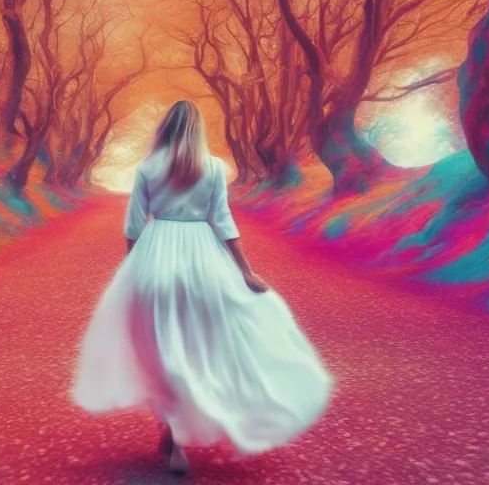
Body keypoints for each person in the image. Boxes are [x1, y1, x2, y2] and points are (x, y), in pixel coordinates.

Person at [71, 100, 333, 475]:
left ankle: (170, 430)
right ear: (198, 130)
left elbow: (133, 226)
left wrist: (133, 268)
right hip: (203, 261)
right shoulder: (213, 167)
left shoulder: (147, 167)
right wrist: (246, 272)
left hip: (155, 256)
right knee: (196, 345)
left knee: (159, 348)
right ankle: (192, 418)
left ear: (164, 128)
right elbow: (222, 222)